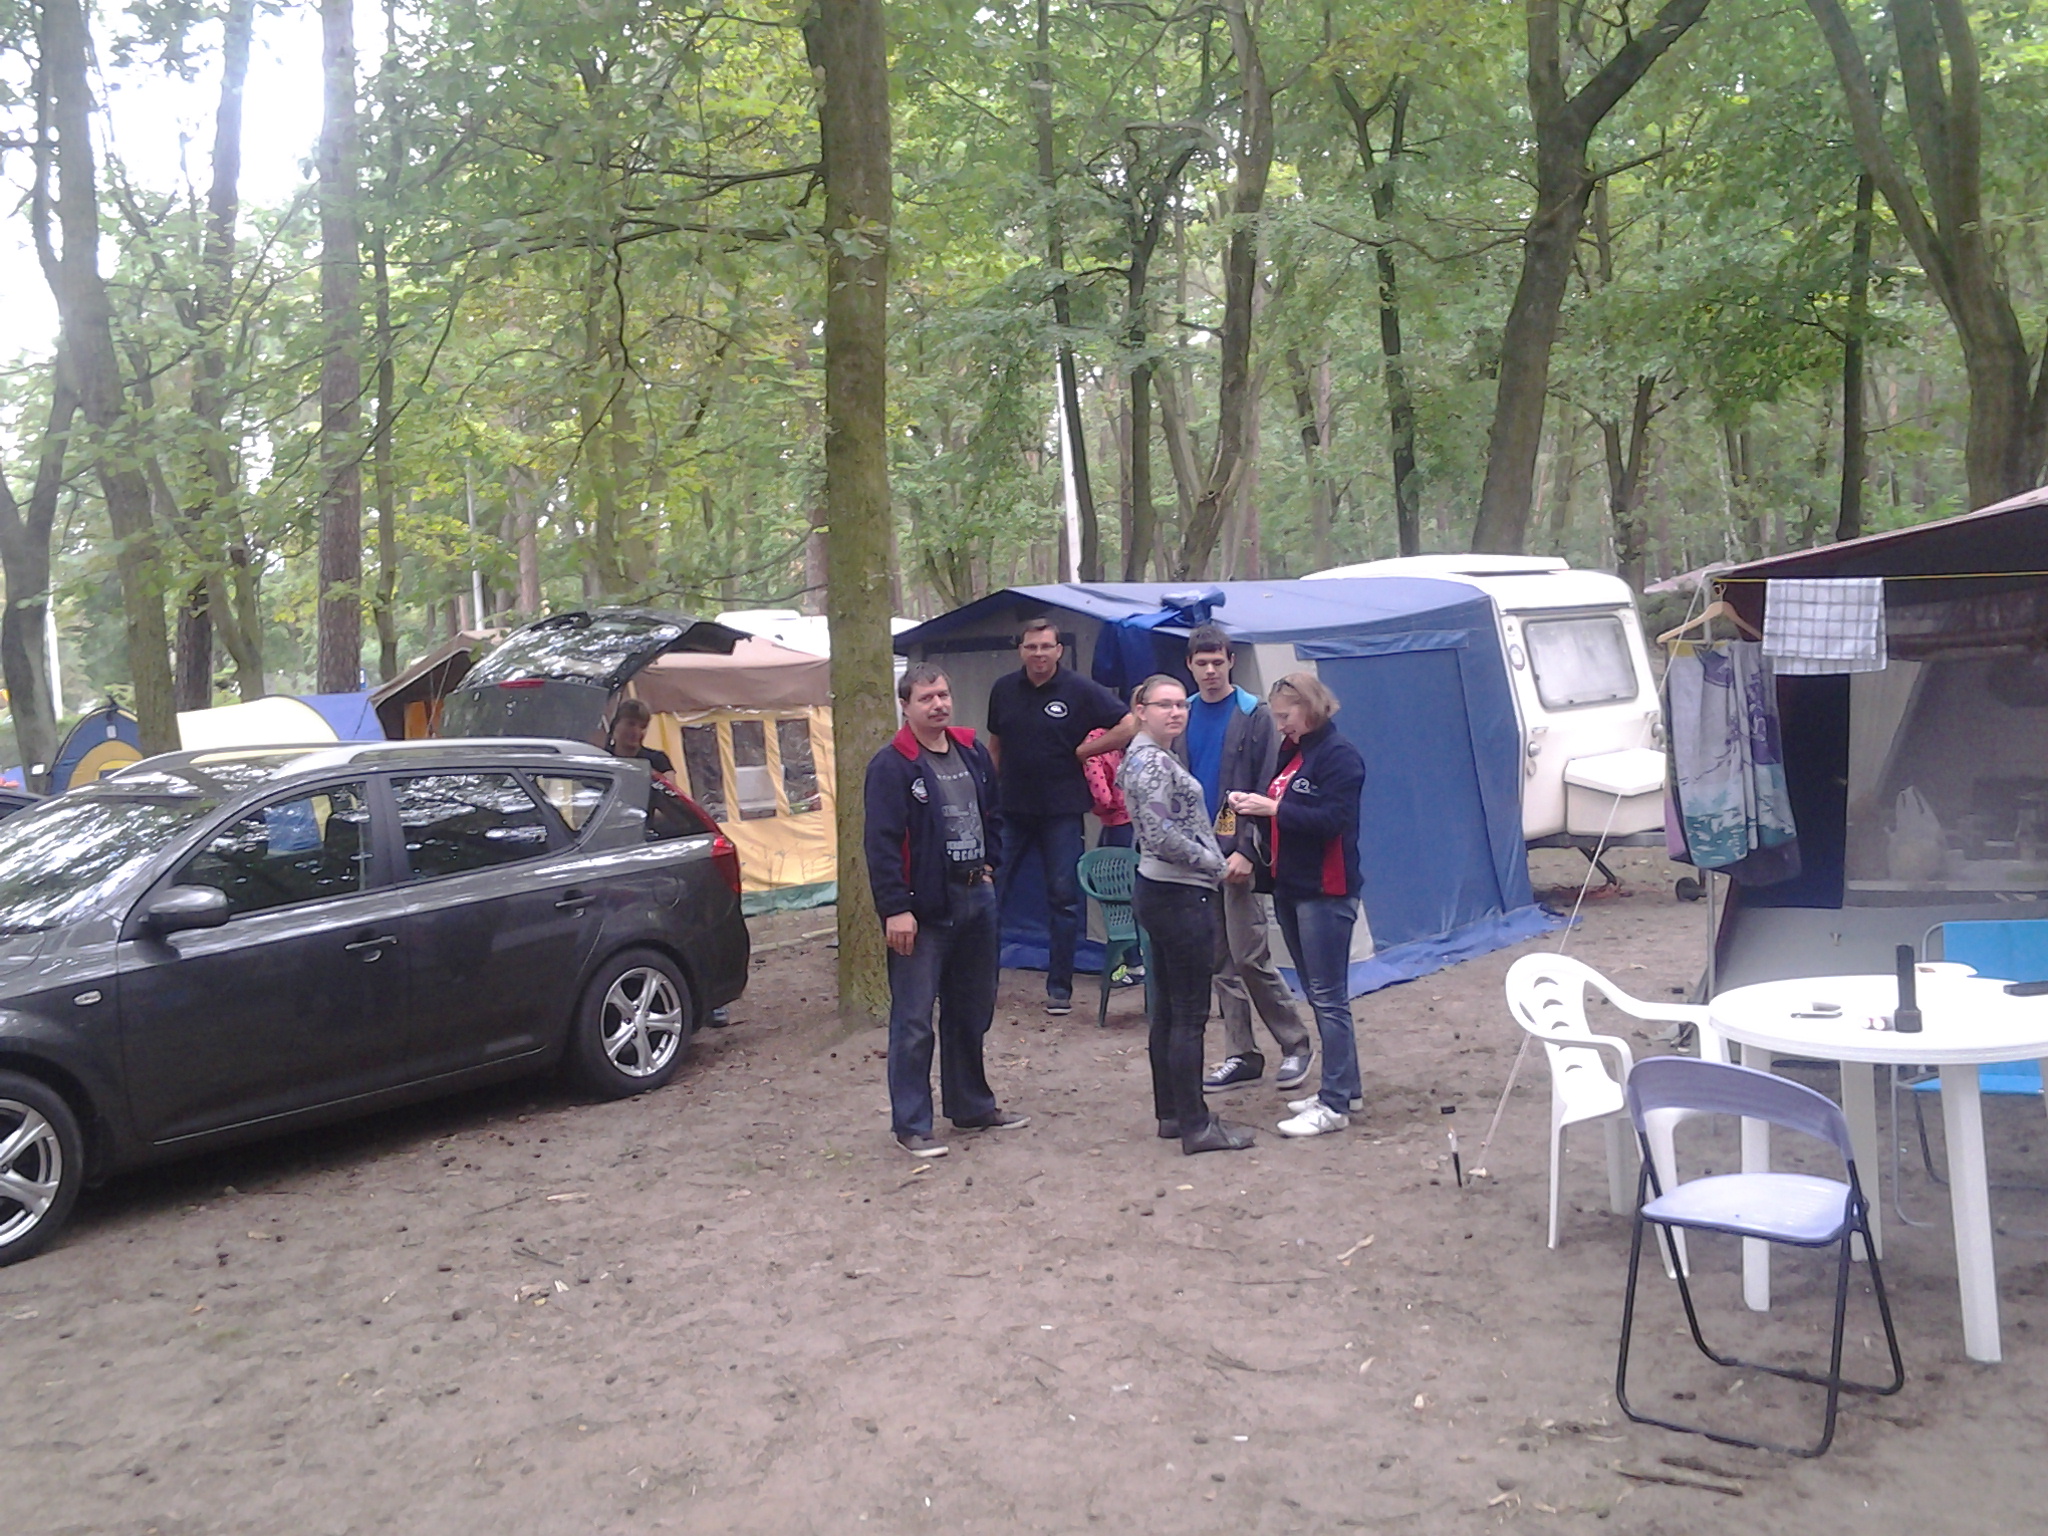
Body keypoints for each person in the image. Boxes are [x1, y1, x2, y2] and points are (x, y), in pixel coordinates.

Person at [864, 663, 1029, 1158]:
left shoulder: (971, 750)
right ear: (905, 706)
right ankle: (912, 1125)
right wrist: (896, 909)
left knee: (971, 1010)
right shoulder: (892, 765)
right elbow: (881, 844)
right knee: (915, 1020)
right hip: (924, 910)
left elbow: (992, 812)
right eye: (926, 698)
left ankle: (971, 1106)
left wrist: (991, 863)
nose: (938, 704)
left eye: (942, 694)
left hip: (978, 896)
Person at [1173, 624, 1314, 1096]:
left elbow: (1266, 786)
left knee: (1250, 955)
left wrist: (1248, 851)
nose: (1210, 671)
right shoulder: (1183, 714)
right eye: (1202, 663)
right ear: (1190, 665)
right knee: (1219, 960)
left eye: (1218, 662)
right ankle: (1242, 1053)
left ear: (1231, 661)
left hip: (1238, 853)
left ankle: (1296, 1043)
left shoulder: (1254, 714)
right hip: (1198, 856)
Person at [1121, 674, 1255, 1156]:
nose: (1176, 712)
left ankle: (1173, 1114)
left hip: (1163, 890)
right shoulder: (1152, 762)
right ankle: (1196, 1124)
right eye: (1165, 705)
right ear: (1141, 710)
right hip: (1178, 893)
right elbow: (1161, 836)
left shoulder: (1151, 756)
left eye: (1181, 704)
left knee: (1168, 1011)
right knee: (1188, 1014)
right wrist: (1215, 864)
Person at [1227, 672, 1364, 1139]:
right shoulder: (1294, 752)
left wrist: (1274, 810)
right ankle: (1346, 1087)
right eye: (1277, 716)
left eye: (1286, 716)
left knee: (1329, 997)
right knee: (1318, 992)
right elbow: (1282, 802)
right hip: (1290, 886)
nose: (1280, 725)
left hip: (1327, 891)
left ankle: (1334, 1104)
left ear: (1310, 707)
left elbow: (1334, 820)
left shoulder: (1340, 756)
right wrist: (1255, 805)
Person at [985, 617, 1135, 1015]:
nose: (1039, 654)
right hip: (1011, 809)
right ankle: (982, 982)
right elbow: (995, 745)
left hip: (1061, 812)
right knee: (990, 893)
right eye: (1031, 647)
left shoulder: (1079, 690)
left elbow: (1129, 725)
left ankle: (1060, 988)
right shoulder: (1003, 689)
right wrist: (986, 794)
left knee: (1063, 898)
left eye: (1046, 647)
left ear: (1058, 650)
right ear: (1021, 650)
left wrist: (1087, 751)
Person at [609, 698, 677, 788]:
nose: (636, 731)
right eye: (631, 724)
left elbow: (670, 790)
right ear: (615, 725)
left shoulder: (658, 760)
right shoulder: (602, 757)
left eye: (643, 727)